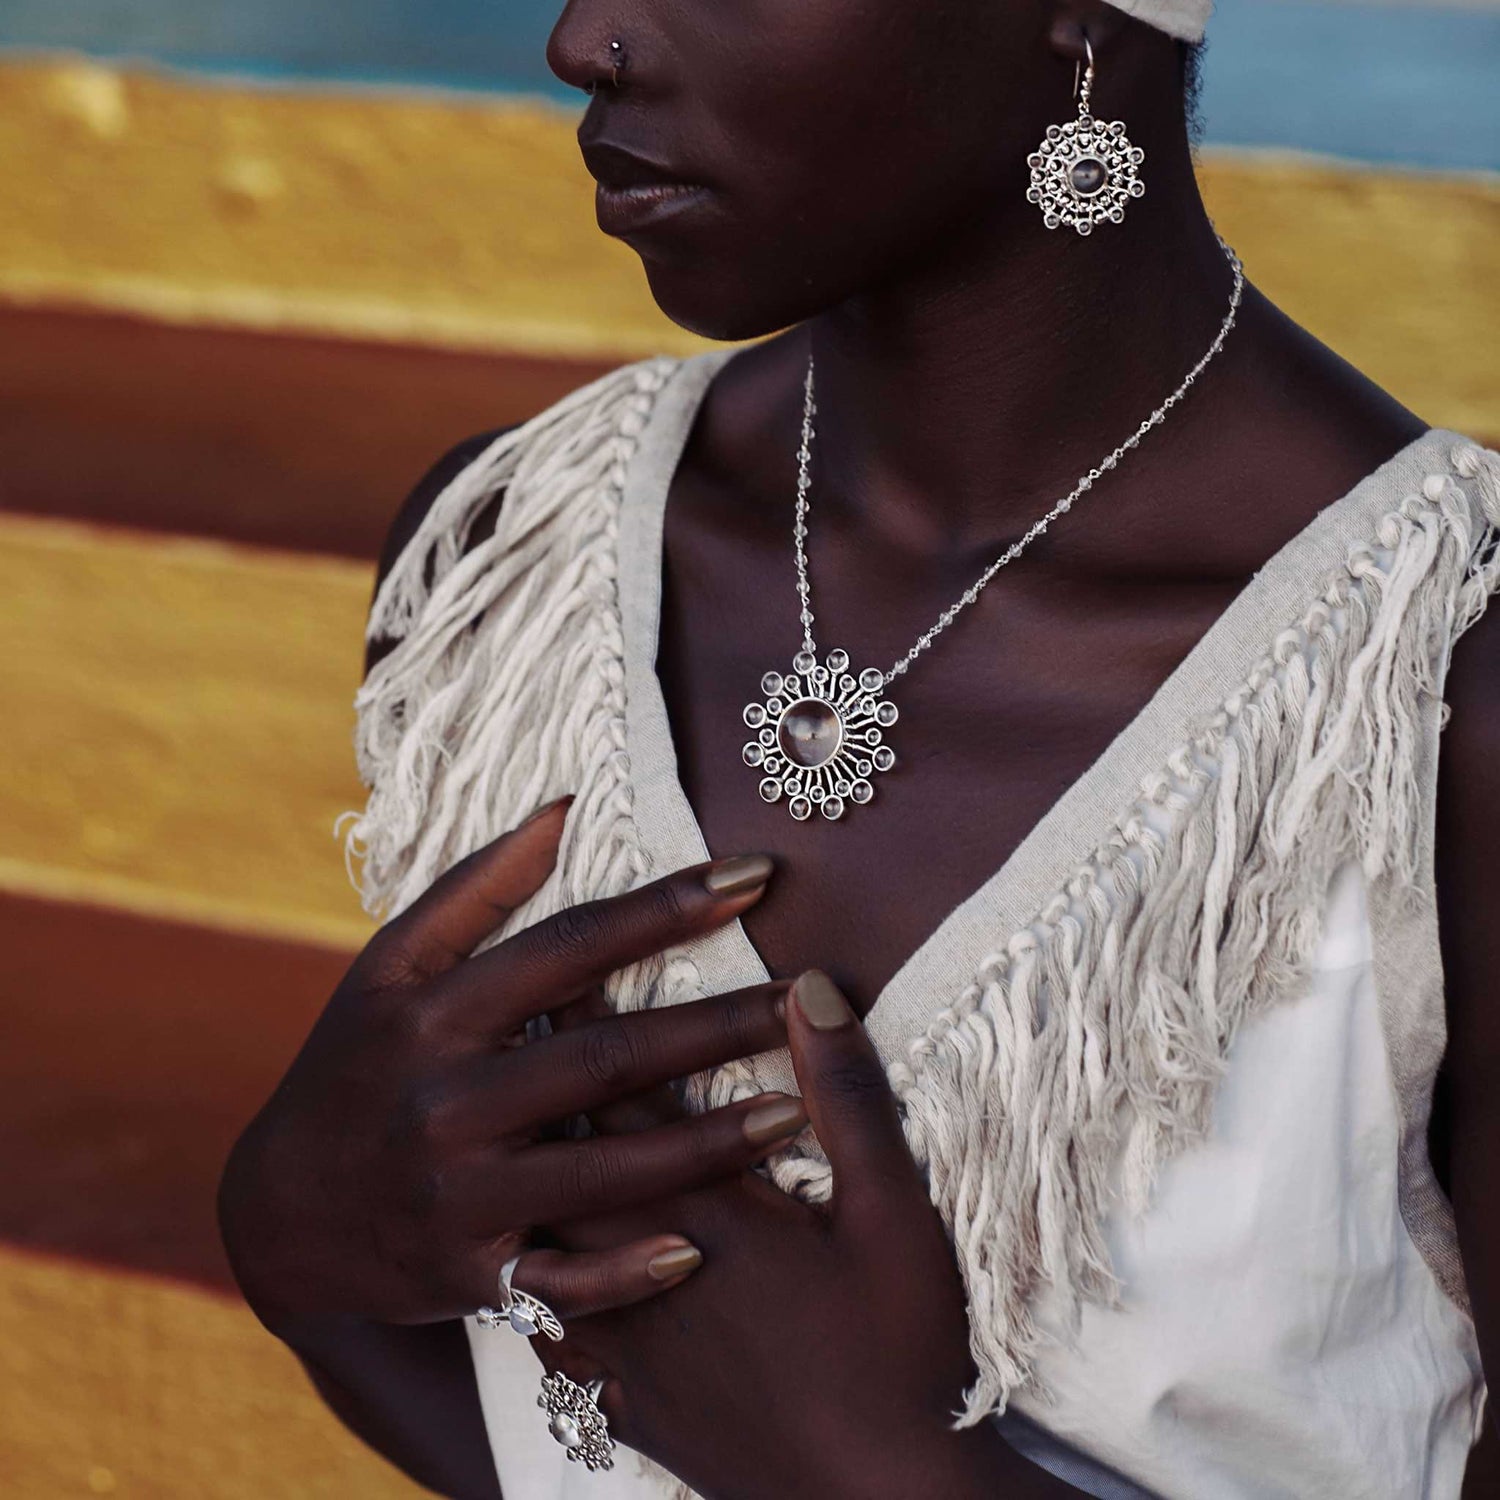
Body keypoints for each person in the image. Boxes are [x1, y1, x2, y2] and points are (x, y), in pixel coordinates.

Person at [217, 1, 1500, 1496]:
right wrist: (295, 1255)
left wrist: (886, 1476)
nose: (584, 40)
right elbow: (528, 1428)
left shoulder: (1440, 683)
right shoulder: (513, 543)